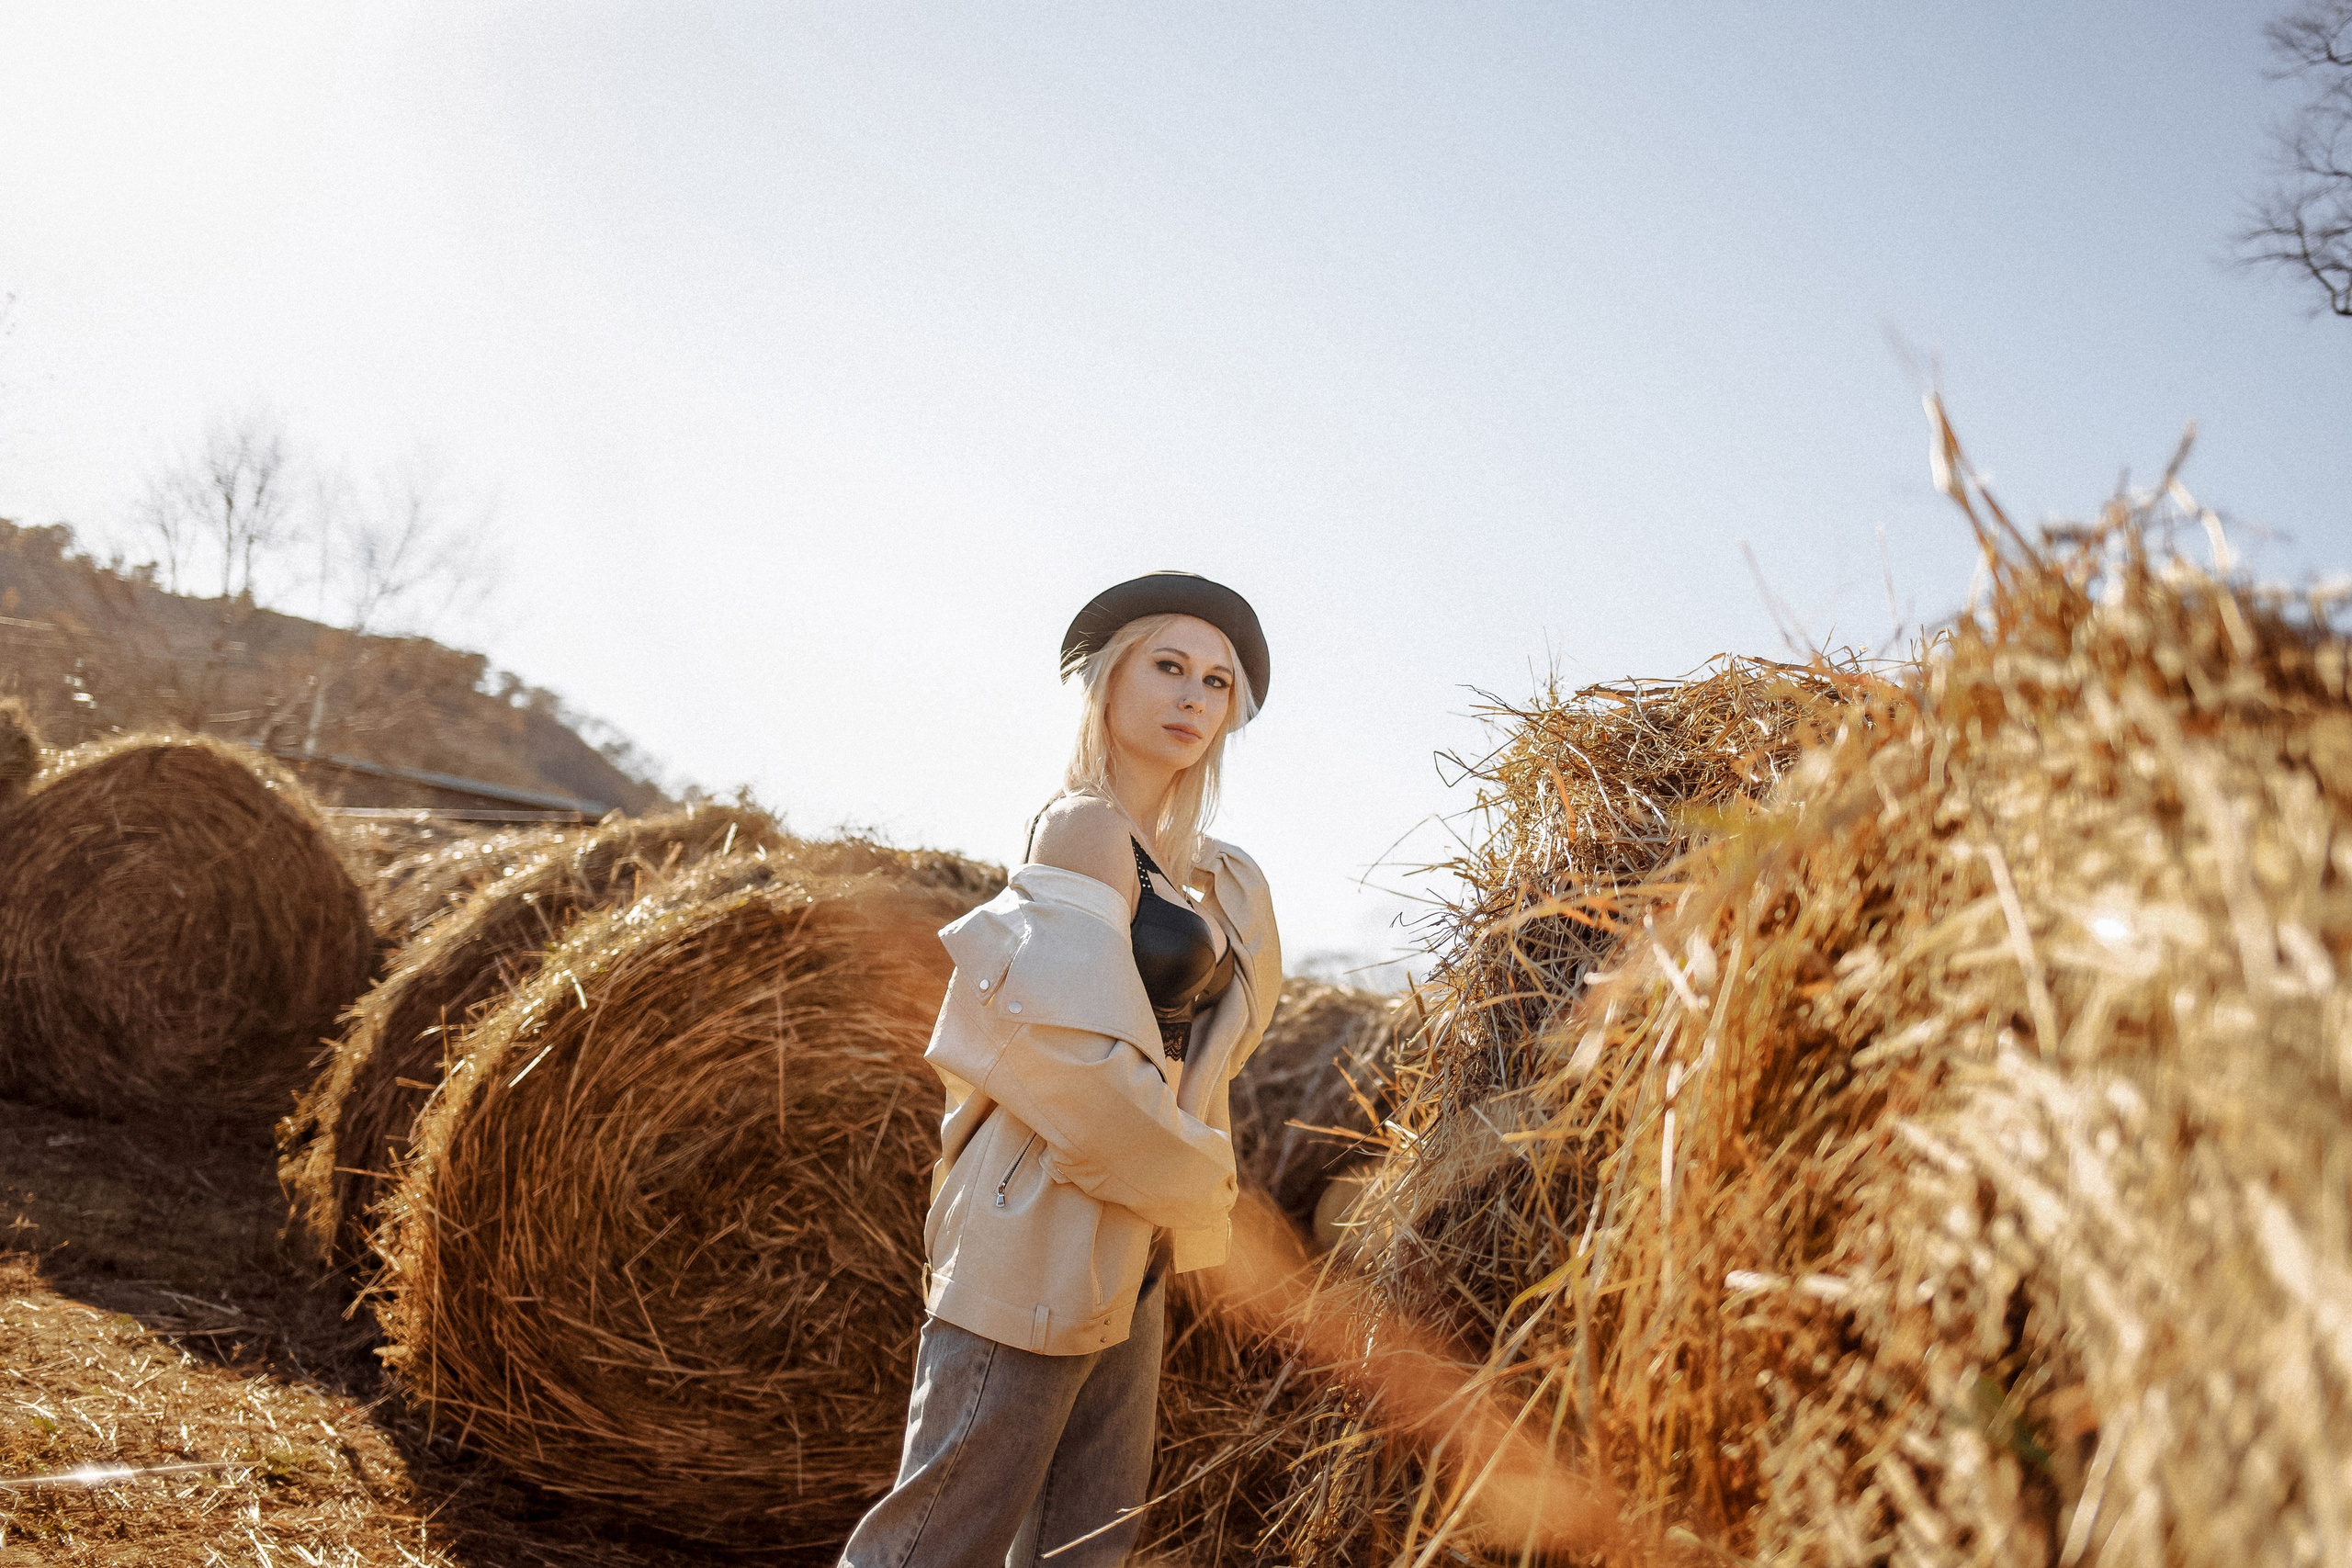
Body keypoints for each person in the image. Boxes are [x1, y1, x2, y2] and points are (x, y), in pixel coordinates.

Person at [840, 571, 1282, 1568]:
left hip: (1135, 1209)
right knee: (946, 1529)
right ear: (1110, 680)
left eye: (1215, 684)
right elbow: (1067, 1060)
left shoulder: (1195, 870)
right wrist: (1200, 1179)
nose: (1191, 698)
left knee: (1088, 1536)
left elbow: (1209, 1039)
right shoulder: (1083, 828)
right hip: (1041, 1201)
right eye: (1168, 667)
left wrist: (1177, 1185)